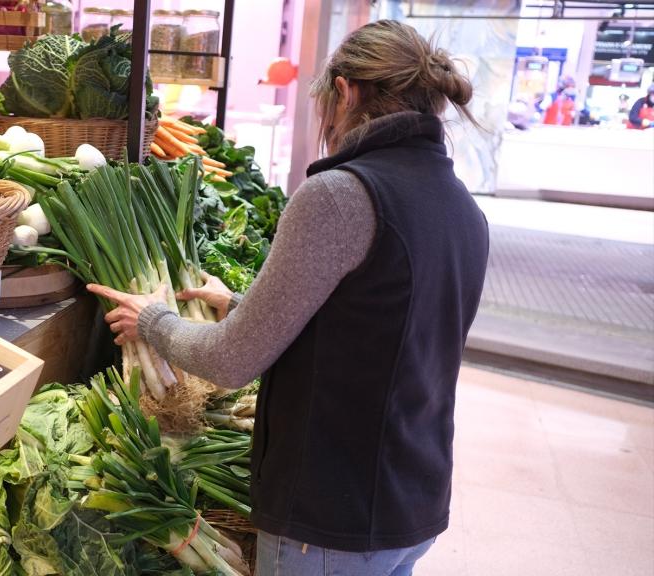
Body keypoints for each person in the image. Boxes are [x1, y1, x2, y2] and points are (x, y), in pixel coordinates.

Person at [87, 19, 489, 576]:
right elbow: (375, 327)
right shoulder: (459, 206)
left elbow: (232, 362)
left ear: (345, 92)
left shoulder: (339, 195)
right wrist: (241, 306)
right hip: (410, 501)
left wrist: (154, 321)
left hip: (329, 518)